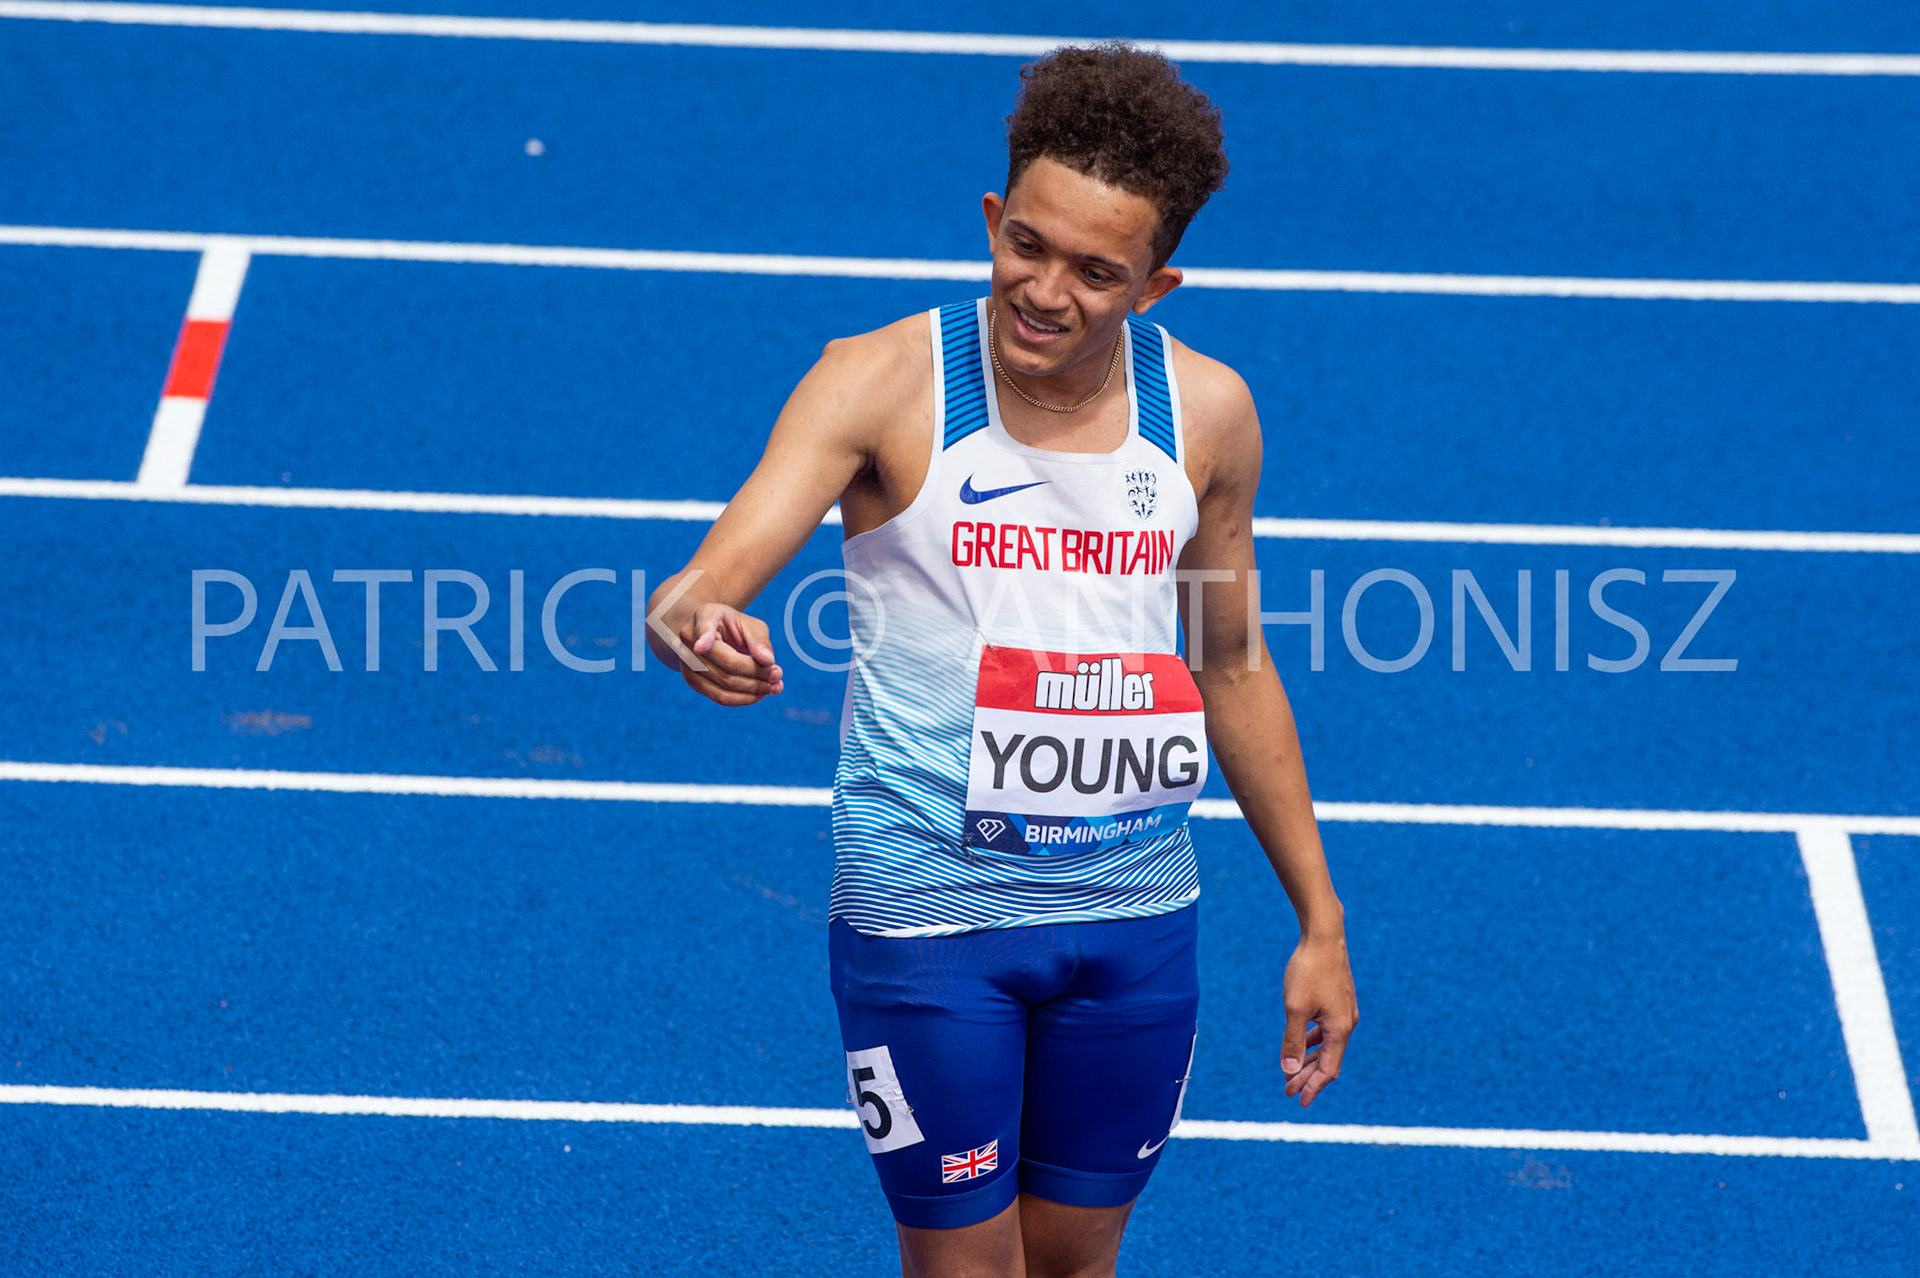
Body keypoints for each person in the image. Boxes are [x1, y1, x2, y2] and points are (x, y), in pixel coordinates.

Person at [649, 43, 1356, 1278]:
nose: (1045, 290)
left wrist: (1319, 915)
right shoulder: (879, 383)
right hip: (928, 920)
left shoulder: (1211, 416)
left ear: (1158, 283)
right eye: (1025, 245)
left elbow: (1232, 663)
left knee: (1078, 1263)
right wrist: (697, 623)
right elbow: (710, 578)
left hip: (1135, 915)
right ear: (992, 216)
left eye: (1096, 272)